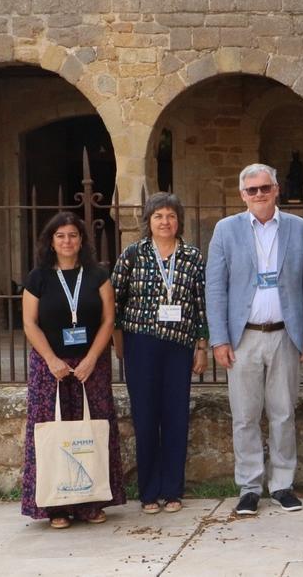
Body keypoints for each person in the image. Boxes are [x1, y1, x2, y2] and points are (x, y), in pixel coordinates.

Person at [206, 164, 303, 516]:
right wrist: (219, 339)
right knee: (245, 415)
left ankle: (282, 485)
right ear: (242, 195)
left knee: (283, 413)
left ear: (277, 189)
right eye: (252, 190)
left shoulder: (300, 228)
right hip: (244, 337)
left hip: (285, 334)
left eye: (265, 188)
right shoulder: (226, 230)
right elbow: (215, 288)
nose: (259, 195)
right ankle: (249, 487)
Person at [20, 212, 125, 528]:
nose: (67, 241)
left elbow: (108, 320)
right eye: (60, 235)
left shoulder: (97, 276)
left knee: (91, 432)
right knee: (53, 432)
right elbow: (29, 323)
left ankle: (91, 503)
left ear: (82, 241)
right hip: (49, 367)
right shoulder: (38, 277)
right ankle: (56, 507)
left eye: (73, 235)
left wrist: (92, 358)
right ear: (51, 242)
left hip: (90, 365)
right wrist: (51, 360)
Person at [111, 192, 209, 515]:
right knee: (146, 416)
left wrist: (201, 347)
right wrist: (118, 340)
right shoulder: (133, 254)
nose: (165, 222)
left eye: (170, 216)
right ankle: (149, 491)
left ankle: (173, 490)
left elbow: (201, 305)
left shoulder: (192, 257)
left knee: (176, 417)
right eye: (158, 216)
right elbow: (114, 299)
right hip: (141, 346)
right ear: (148, 221)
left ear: (179, 221)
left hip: (179, 346)